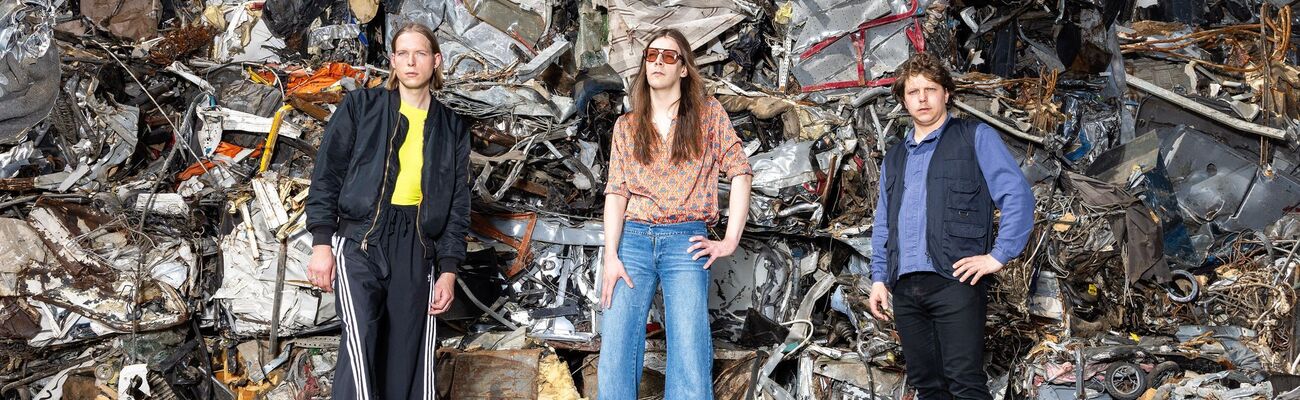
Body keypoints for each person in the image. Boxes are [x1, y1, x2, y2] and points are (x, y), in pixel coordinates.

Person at [304, 22, 470, 400]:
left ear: (436, 61)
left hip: (417, 244)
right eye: (403, 54)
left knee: (407, 355)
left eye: (421, 53)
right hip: (361, 238)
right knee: (361, 344)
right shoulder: (361, 107)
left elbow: (459, 205)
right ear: (393, 61)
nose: (411, 62)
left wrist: (448, 270)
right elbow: (327, 175)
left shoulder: (452, 127)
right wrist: (321, 244)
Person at [865, 52, 1035, 400]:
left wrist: (998, 256)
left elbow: (1018, 196)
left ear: (946, 93)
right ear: (903, 99)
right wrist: (879, 278)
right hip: (905, 289)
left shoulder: (975, 137)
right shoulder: (896, 156)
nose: (923, 98)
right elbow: (884, 222)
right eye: (913, 92)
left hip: (955, 281)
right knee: (928, 388)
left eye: (931, 89)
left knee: (965, 384)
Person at [597, 29, 754, 400]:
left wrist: (730, 240)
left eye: (669, 56)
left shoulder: (708, 115)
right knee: (617, 343)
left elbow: (740, 170)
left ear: (684, 68)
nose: (658, 62)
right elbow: (616, 193)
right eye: (652, 55)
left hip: (686, 239)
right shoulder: (627, 125)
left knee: (689, 345)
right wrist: (611, 257)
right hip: (633, 239)